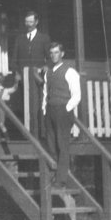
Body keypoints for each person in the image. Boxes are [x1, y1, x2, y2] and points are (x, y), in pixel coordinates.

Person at [42, 42, 81, 187]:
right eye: (51, 53)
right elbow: (46, 93)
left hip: (63, 111)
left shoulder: (70, 72)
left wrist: (66, 108)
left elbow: (76, 95)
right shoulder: (48, 73)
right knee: (51, 144)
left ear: (62, 54)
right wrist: (45, 110)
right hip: (51, 110)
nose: (53, 55)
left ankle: (61, 179)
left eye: (56, 52)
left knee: (62, 144)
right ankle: (54, 174)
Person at [11, 10, 52, 133]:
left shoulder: (44, 38)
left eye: (31, 21)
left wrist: (47, 66)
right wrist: (16, 73)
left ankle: (41, 131)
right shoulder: (20, 39)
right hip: (24, 78)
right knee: (25, 105)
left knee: (39, 104)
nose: (28, 24)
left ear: (36, 22)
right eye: (26, 21)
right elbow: (14, 59)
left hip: (38, 78)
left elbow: (50, 57)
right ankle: (26, 133)